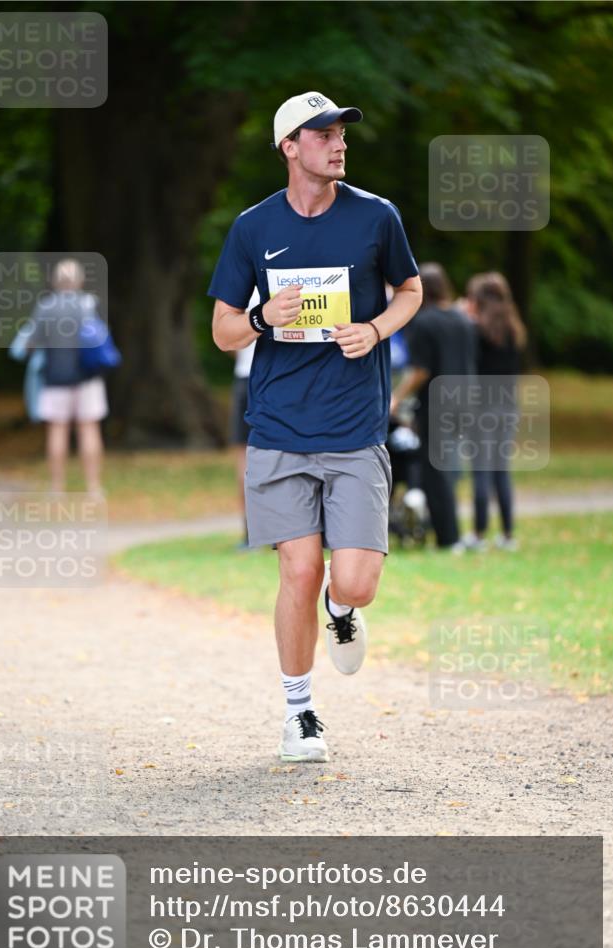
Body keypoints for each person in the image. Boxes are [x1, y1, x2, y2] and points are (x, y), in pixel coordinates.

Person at [208, 91, 422, 762]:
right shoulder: (252, 228)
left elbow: (410, 290)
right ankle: (299, 714)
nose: (338, 142)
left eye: (340, 132)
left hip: (356, 427)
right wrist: (262, 317)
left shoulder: (375, 216)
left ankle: (341, 609)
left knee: (354, 582)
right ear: (289, 147)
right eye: (323, 133)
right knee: (297, 572)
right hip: (278, 428)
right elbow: (222, 331)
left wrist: (376, 328)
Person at [391, 263, 476, 550]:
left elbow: (420, 371)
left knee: (434, 473)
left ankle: (448, 537)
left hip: (436, 405)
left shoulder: (424, 322)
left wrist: (396, 398)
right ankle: (450, 533)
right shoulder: (462, 319)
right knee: (450, 468)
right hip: (464, 401)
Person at [29, 259, 108, 497]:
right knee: (89, 429)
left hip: (55, 378)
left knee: (57, 430)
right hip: (87, 378)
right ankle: (94, 487)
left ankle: (57, 487)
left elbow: (32, 344)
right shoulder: (89, 304)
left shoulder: (45, 307)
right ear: (80, 280)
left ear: (55, 281)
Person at [463, 272, 526, 552]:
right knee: (501, 469)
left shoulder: (476, 331)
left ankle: (478, 534)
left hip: (481, 409)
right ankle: (507, 534)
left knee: (481, 470)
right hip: (508, 407)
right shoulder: (514, 329)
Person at [229, 291, 259, 548]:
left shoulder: (240, 284)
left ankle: (251, 533)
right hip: (278, 378)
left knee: (245, 459)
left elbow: (228, 339)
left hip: (246, 377)